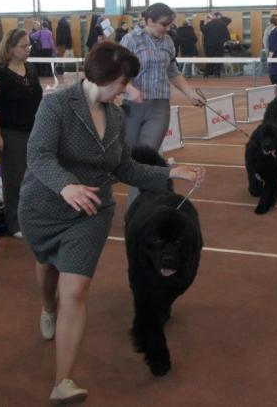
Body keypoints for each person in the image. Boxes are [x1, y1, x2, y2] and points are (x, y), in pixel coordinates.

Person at [18, 41, 205, 404]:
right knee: (46, 269)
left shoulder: (116, 116)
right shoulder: (57, 104)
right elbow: (37, 155)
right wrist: (66, 186)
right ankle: (47, 307)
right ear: (107, 77)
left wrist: (170, 171)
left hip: (90, 212)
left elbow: (124, 168)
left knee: (76, 290)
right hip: (45, 207)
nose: (127, 89)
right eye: (124, 82)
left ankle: (63, 381)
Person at [120, 2, 204, 204]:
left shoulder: (168, 42)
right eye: (163, 24)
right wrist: (130, 90)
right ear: (149, 20)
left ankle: (136, 207)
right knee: (129, 158)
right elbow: (117, 72)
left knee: (146, 157)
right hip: (132, 107)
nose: (167, 28)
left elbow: (172, 72)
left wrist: (190, 93)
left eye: (169, 24)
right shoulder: (130, 40)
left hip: (159, 107)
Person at [0, 29, 43, 239]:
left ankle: (31, 217)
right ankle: (15, 223)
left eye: (29, 45)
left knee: (34, 178)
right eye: (23, 46)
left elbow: (38, 99)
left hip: (33, 131)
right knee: (14, 179)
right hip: (11, 134)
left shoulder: (30, 69)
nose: (28, 49)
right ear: (10, 48)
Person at [199, 12, 231, 77]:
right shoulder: (222, 23)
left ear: (214, 17)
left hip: (210, 44)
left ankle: (207, 73)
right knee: (219, 58)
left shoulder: (209, 24)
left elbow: (202, 29)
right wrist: (220, 16)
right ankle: (217, 73)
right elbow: (229, 20)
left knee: (210, 58)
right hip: (220, 44)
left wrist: (203, 21)